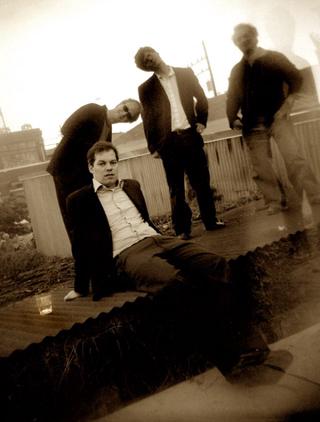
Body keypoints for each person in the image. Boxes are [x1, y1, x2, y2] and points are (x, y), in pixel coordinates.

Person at [64, 140, 269, 377]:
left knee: (216, 264)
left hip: (159, 240)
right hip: (127, 253)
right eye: (102, 164)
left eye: (113, 162)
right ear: (91, 168)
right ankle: (228, 360)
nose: (109, 168)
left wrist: (163, 239)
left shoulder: (131, 186)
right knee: (176, 283)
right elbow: (79, 245)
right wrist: (80, 287)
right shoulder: (79, 199)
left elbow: (145, 221)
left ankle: (252, 344)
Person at [227, 23, 320, 215]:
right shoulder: (237, 69)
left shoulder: (274, 58)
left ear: (255, 36)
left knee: (293, 157)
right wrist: (232, 117)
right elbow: (233, 96)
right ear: (235, 44)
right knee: (261, 166)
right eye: (238, 39)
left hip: (278, 117)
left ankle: (313, 194)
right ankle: (275, 202)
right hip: (252, 124)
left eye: (246, 35)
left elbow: (296, 79)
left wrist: (288, 104)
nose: (243, 40)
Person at [134, 47, 224, 240]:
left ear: (157, 52)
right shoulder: (146, 88)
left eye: (150, 56)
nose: (150, 60)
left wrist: (202, 120)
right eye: (146, 62)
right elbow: (148, 117)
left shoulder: (185, 73)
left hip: (190, 136)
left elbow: (201, 97)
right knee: (175, 188)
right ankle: (182, 229)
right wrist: (153, 146)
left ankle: (210, 221)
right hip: (169, 143)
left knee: (202, 182)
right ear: (146, 68)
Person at [46, 99, 141, 239]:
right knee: (71, 216)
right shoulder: (93, 110)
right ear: (120, 103)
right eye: (126, 108)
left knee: (84, 216)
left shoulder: (108, 131)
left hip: (82, 176)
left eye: (129, 117)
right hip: (66, 170)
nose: (124, 114)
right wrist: (85, 152)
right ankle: (80, 256)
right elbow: (66, 128)